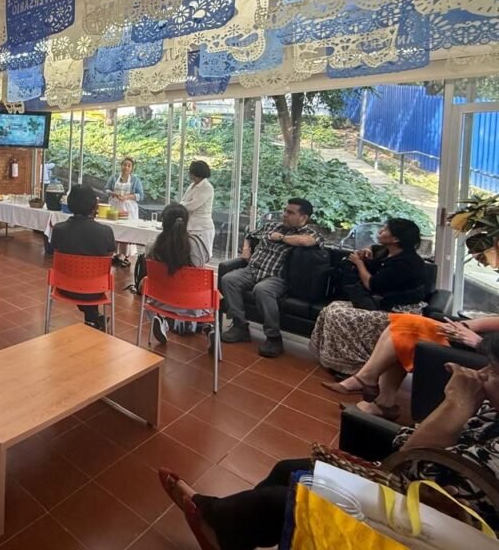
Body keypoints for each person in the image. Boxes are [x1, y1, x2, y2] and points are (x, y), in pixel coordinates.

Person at [161, 334, 499, 549]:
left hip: (436, 524)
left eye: (494, 372)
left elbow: (411, 465)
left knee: (283, 500)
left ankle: (215, 517)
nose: (482, 375)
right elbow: (406, 446)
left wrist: (456, 404)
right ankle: (229, 526)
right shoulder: (486, 409)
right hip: (403, 486)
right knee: (286, 469)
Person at [322, 312, 499, 419]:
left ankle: (367, 382)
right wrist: (464, 325)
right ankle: (383, 401)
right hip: (481, 344)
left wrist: (479, 343)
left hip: (485, 355)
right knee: (403, 325)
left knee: (407, 331)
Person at [310, 219, 427, 377]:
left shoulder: (407, 263)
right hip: (379, 303)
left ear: (396, 238)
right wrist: (366, 251)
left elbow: (372, 284)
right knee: (331, 308)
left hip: (399, 311)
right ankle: (336, 360)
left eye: (385, 229)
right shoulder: (386, 251)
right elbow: (373, 249)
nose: (380, 231)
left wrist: (359, 263)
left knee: (339, 314)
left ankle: (357, 365)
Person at [219, 198, 323, 358]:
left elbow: (305, 241)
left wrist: (281, 238)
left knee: (262, 290)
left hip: (276, 278)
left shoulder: (310, 233)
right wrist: (246, 249)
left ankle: (273, 337)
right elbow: (250, 234)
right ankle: (240, 327)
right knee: (228, 279)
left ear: (303, 217)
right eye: (285, 211)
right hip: (252, 270)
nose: (284, 215)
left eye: (290, 213)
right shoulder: (271, 226)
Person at [50, 184, 117, 331]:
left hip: (64, 286)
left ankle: (93, 318)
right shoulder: (106, 232)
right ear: (94, 205)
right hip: (96, 288)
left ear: (69, 203)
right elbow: (109, 255)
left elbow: (55, 250)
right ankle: (94, 319)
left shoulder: (59, 229)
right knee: (89, 279)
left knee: (80, 278)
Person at [146, 202, 212, 344]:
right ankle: (208, 327)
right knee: (213, 292)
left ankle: (162, 320)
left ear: (163, 222)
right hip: (194, 303)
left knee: (146, 281)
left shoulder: (153, 246)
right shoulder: (197, 245)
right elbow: (201, 267)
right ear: (186, 222)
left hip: (161, 300)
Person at [105, 157, 144, 267]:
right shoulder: (114, 177)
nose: (126, 167)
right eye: (124, 165)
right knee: (115, 229)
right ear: (121, 166)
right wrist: (114, 194)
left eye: (129, 166)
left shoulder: (135, 180)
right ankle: (116, 254)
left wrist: (127, 196)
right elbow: (106, 189)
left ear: (132, 168)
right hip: (115, 206)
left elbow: (140, 195)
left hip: (129, 208)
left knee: (128, 230)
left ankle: (127, 256)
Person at [180, 160, 215, 259]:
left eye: (192, 173)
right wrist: (182, 204)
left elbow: (192, 206)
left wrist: (181, 205)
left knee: (200, 256)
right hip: (189, 225)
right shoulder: (192, 185)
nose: (190, 175)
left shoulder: (207, 187)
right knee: (188, 255)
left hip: (201, 227)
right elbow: (183, 201)